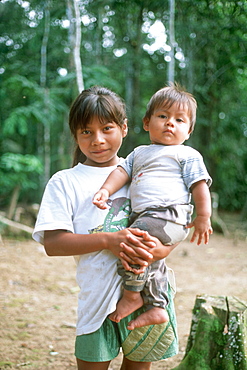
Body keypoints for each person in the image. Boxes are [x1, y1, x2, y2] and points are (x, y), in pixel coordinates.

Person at [32, 86, 179, 370]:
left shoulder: (145, 173)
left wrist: (163, 249)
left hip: (148, 297)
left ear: (124, 128)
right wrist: (108, 241)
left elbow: (171, 220)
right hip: (97, 299)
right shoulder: (65, 182)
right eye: (86, 132)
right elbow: (53, 244)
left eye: (107, 128)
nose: (98, 140)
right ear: (75, 134)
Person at [93, 82, 213, 331]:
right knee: (150, 259)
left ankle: (132, 296)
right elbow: (120, 172)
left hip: (168, 214)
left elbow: (200, 186)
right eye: (163, 116)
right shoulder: (139, 153)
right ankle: (158, 306)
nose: (170, 123)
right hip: (147, 216)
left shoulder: (186, 155)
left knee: (131, 243)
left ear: (188, 131)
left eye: (180, 120)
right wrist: (105, 190)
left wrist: (203, 217)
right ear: (147, 123)